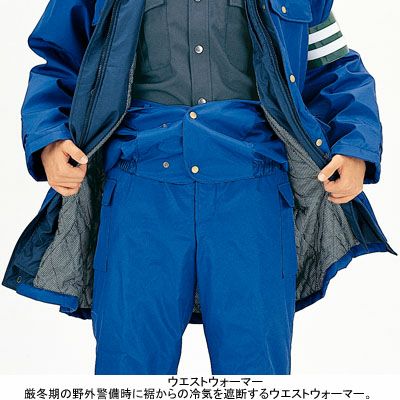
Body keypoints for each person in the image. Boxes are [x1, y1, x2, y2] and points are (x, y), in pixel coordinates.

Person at [2, 0, 397, 375]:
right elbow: (60, 59)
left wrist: (355, 145)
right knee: (129, 371)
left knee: (255, 373)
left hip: (253, 199)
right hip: (138, 198)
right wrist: (49, 138)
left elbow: (333, 65)